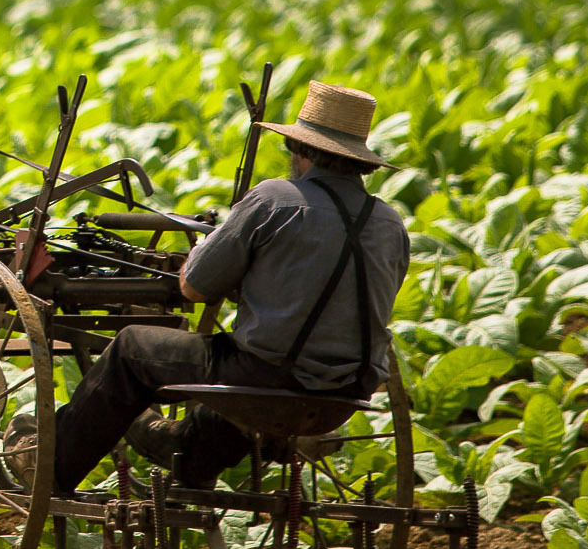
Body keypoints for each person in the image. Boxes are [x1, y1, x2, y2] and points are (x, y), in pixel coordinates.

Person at [50, 80, 411, 495]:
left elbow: (194, 287)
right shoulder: (390, 222)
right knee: (246, 374)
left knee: (133, 348)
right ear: (359, 161)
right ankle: (187, 454)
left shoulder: (274, 199)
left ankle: (54, 470)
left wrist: (208, 251)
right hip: (348, 392)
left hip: (269, 377)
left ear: (302, 151)